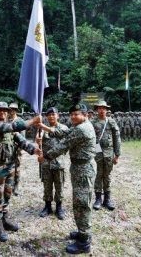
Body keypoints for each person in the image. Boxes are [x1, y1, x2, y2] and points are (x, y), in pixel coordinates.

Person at [38, 103, 96, 254]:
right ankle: (82, 231)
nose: (73, 117)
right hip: (80, 167)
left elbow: (63, 144)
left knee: (82, 203)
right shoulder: (81, 127)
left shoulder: (82, 129)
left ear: (85, 115)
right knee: (80, 200)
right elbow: (64, 133)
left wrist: (45, 156)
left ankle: (84, 241)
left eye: (76, 114)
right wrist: (44, 127)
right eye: (71, 114)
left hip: (84, 170)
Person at [0, 102, 42, 242]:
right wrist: (32, 121)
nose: (2, 113)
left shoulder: (10, 128)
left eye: (4, 111)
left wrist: (34, 150)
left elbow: (21, 141)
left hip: (10, 166)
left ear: (7, 112)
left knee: (7, 193)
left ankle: (4, 219)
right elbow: (13, 126)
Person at [36, 107, 68, 220]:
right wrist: (38, 143)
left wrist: (43, 127)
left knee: (59, 186)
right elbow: (39, 144)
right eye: (49, 115)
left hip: (59, 162)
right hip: (46, 163)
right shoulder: (42, 129)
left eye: (53, 114)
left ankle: (59, 207)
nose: (51, 116)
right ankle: (47, 206)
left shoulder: (63, 128)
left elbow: (60, 134)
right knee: (47, 185)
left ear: (58, 116)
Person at [92, 100, 121, 211]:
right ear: (97, 109)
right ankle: (98, 199)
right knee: (98, 175)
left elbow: (117, 139)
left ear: (106, 109)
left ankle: (107, 199)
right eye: (99, 108)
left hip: (109, 153)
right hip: (97, 152)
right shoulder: (93, 122)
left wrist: (117, 155)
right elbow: (91, 139)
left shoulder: (111, 122)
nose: (101, 110)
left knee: (107, 176)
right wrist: (93, 153)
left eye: (103, 108)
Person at [8, 102, 23, 196]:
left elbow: (23, 137)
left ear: (16, 110)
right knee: (8, 167)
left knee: (17, 168)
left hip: (17, 148)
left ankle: (16, 186)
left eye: (13, 109)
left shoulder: (20, 121)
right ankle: (9, 185)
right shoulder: (6, 120)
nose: (11, 111)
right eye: (10, 109)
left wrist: (20, 147)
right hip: (7, 148)